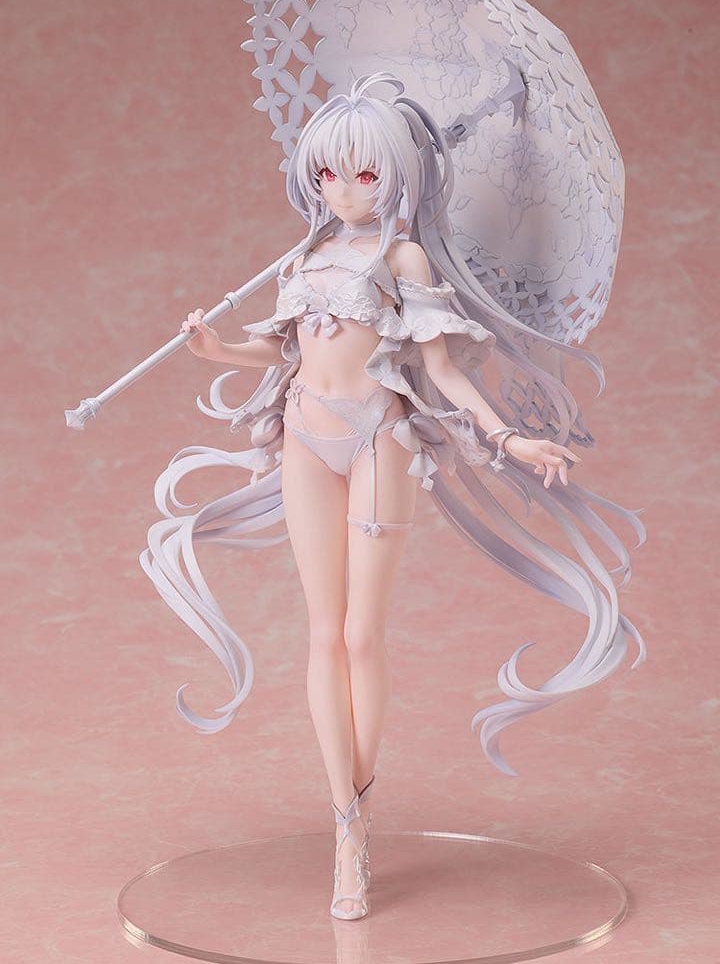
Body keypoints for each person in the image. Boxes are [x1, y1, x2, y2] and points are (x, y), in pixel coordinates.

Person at [141, 72, 646, 920]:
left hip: (379, 439)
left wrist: (508, 438)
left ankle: (358, 821)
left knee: (359, 634)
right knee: (320, 634)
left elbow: (441, 369)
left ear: (398, 175)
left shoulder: (403, 258)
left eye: (366, 173)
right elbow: (288, 354)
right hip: (303, 438)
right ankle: (344, 817)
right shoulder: (303, 259)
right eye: (329, 173)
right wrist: (217, 350)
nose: (344, 189)